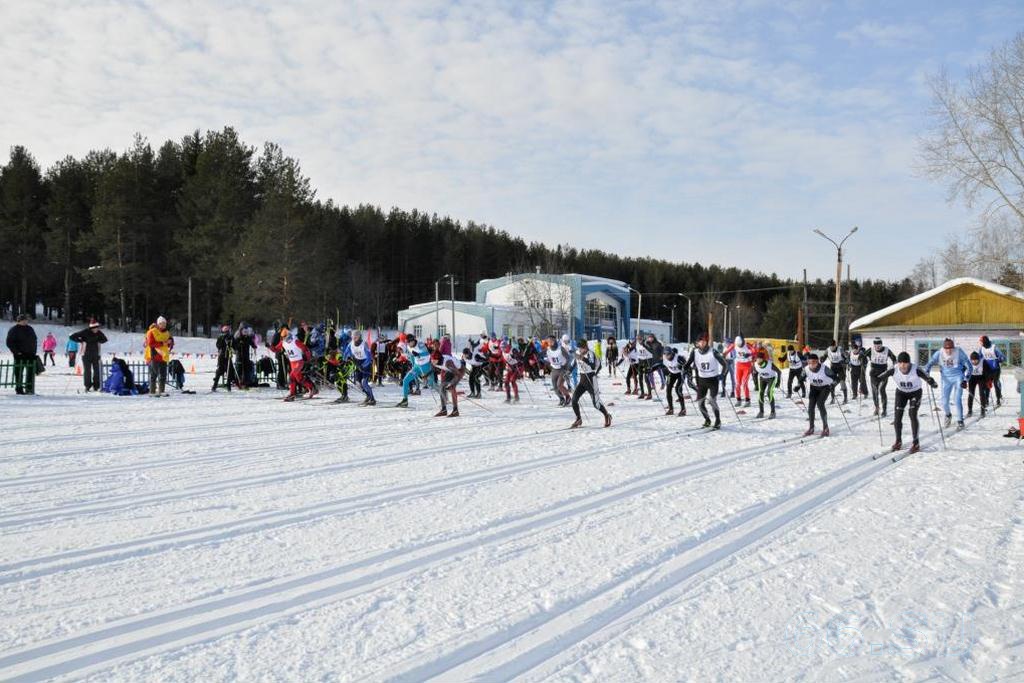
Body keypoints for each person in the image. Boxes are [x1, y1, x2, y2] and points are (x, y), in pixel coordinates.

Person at [878, 351, 938, 454]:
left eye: (905, 363)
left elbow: (927, 377)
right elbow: (881, 376)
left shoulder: (916, 369)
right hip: (901, 393)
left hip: (915, 393)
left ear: (909, 363)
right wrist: (876, 380)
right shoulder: (894, 369)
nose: (903, 365)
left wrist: (932, 382)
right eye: (900, 363)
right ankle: (898, 441)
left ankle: (916, 443)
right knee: (897, 417)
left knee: (912, 414)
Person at [924, 337, 971, 431]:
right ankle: (948, 415)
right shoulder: (939, 353)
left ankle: (960, 421)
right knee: (944, 401)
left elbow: (969, 367)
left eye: (951, 348)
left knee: (957, 399)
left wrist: (965, 380)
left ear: (953, 348)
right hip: (946, 379)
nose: (949, 351)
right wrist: (927, 376)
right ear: (944, 348)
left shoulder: (959, 352)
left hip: (958, 377)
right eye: (947, 349)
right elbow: (928, 365)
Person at [683, 334, 728, 429]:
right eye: (700, 341)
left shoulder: (713, 351)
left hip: (713, 380)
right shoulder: (694, 352)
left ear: (706, 342)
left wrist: (722, 375)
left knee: (712, 401)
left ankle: (718, 421)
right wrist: (683, 368)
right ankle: (707, 420)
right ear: (697, 343)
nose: (702, 343)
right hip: (702, 380)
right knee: (700, 403)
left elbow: (725, 364)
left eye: (704, 341)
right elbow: (688, 363)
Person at [569, 337, 612, 428]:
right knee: (574, 400)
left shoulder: (590, 354)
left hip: (591, 380)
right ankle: (578, 419)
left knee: (596, 404)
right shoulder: (578, 353)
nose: (580, 349)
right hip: (582, 380)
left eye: (581, 348)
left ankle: (607, 415)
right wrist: (568, 372)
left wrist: (583, 358)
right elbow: (573, 364)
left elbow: (592, 366)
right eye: (579, 348)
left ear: (585, 347)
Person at [270, 326, 317, 401]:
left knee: (292, 376)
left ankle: (292, 394)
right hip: (292, 362)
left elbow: (305, 349)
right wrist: (271, 347)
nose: (284, 339)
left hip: (299, 361)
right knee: (299, 379)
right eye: (283, 337)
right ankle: (312, 388)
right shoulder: (283, 342)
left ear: (288, 335)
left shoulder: (295, 341)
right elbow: (276, 349)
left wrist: (308, 358)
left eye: (285, 337)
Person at [799, 354, 835, 437]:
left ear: (818, 361)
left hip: (825, 387)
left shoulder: (824, 368)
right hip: (814, 388)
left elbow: (836, 378)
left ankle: (826, 428)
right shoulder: (806, 369)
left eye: (814, 362)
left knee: (820, 404)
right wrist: (798, 385)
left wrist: (833, 384)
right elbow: (801, 378)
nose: (812, 364)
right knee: (811, 407)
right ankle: (811, 428)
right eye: (810, 362)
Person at [396, 334, 435, 408]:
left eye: (409, 342)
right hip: (417, 367)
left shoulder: (420, 344)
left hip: (426, 366)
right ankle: (405, 400)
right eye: (407, 343)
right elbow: (411, 355)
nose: (408, 344)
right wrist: (413, 365)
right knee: (405, 380)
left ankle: (444, 397)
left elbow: (427, 353)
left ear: (413, 341)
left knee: (432, 385)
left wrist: (418, 354)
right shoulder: (408, 346)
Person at [69, 319, 107, 392]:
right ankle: (87, 385)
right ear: (92, 328)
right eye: (95, 328)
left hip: (96, 354)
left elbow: (105, 339)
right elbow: (72, 337)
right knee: (87, 371)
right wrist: (81, 341)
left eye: (97, 328)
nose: (97, 329)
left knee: (97, 370)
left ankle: (96, 385)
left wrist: (99, 340)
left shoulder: (99, 333)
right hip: (86, 354)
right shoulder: (85, 332)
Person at [5, 314, 37, 395]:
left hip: (30, 354)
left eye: (26, 320)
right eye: (24, 320)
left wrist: (34, 351)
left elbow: (34, 340)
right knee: (19, 372)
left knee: (30, 372)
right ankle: (19, 389)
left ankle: (29, 389)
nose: (26, 321)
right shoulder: (14, 330)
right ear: (19, 320)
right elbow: (9, 342)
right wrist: (17, 352)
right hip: (19, 355)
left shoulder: (30, 329)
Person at [344, 329, 376, 406]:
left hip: (366, 364)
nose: (354, 338)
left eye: (356, 336)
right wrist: (344, 360)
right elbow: (345, 353)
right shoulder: (350, 344)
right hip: (357, 363)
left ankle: (372, 399)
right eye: (353, 336)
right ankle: (368, 396)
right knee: (358, 383)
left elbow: (369, 357)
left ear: (359, 336)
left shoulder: (364, 344)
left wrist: (363, 366)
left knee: (364, 382)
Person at [144, 316, 174, 396]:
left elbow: (170, 341)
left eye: (164, 323)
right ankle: (152, 391)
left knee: (163, 374)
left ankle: (162, 391)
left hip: (163, 356)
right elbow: (150, 343)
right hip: (154, 355)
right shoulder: (151, 332)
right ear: (158, 324)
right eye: (161, 323)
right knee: (154, 374)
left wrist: (171, 342)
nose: (163, 325)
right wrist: (163, 343)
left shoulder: (167, 332)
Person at [868, 337, 897, 417]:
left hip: (883, 373)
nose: (877, 346)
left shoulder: (887, 350)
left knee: (881, 390)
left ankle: (884, 410)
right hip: (873, 374)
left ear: (881, 344)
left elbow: (894, 358)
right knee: (875, 391)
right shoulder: (871, 350)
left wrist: (894, 365)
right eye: (876, 344)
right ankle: (877, 408)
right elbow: (863, 355)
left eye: (879, 344)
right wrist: (861, 357)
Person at [435, 339, 465, 417]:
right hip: (449, 371)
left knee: (452, 388)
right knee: (441, 387)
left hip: (459, 370)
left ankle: (455, 410)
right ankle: (444, 409)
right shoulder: (435, 360)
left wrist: (452, 383)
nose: (433, 362)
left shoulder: (448, 363)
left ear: (439, 359)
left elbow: (458, 374)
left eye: (434, 360)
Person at [724, 335, 754, 406]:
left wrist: (749, 354)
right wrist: (724, 354)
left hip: (747, 366)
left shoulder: (747, 345)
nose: (739, 346)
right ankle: (738, 399)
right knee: (737, 383)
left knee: (744, 383)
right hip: (739, 365)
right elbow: (728, 350)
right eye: (738, 345)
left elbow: (754, 350)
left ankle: (747, 400)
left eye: (740, 345)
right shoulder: (734, 344)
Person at [544, 334, 572, 406]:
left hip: (562, 369)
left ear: (555, 341)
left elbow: (568, 358)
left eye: (551, 341)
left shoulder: (561, 349)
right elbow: (548, 358)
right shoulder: (548, 349)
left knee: (559, 385)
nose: (550, 343)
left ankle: (568, 397)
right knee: (555, 387)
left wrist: (566, 367)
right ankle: (561, 399)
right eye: (548, 341)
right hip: (554, 369)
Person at [752, 351, 782, 419]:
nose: (758, 360)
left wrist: (778, 382)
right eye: (757, 358)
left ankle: (773, 412)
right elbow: (754, 374)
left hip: (771, 378)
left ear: (763, 359)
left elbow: (779, 372)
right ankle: (761, 412)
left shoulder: (769, 364)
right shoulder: (755, 364)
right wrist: (756, 384)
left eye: (760, 358)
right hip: (762, 379)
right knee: (761, 393)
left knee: (769, 393)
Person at [978, 335, 1005, 407]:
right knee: (987, 385)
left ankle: (998, 398)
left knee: (996, 384)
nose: (980, 343)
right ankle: (986, 400)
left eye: (981, 341)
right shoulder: (981, 349)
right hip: (987, 370)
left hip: (995, 369)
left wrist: (998, 360)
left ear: (984, 341)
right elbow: (979, 357)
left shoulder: (994, 347)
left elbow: (1002, 356)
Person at [663, 346, 686, 416]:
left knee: (678, 389)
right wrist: (651, 369)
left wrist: (682, 367)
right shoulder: (664, 358)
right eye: (666, 355)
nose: (667, 356)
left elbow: (687, 366)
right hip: (672, 373)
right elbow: (660, 365)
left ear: (672, 353)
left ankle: (683, 409)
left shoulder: (678, 358)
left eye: (668, 354)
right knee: (668, 390)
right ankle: (671, 409)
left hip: (680, 374)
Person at [966, 352, 989, 418]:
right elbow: (962, 369)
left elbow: (988, 371)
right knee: (971, 394)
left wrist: (988, 380)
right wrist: (963, 379)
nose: (974, 362)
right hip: (972, 378)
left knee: (982, 394)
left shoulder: (983, 362)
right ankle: (970, 410)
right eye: (972, 360)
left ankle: (982, 411)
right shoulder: (968, 362)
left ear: (979, 359)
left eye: (976, 360)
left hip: (981, 378)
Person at [824, 340, 848, 405]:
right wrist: (822, 359)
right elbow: (824, 356)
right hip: (833, 367)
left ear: (835, 345)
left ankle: (845, 398)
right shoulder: (828, 350)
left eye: (833, 346)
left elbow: (847, 357)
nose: (831, 348)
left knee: (842, 382)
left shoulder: (840, 349)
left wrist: (845, 361)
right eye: (830, 346)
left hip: (841, 367)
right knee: (832, 384)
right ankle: (833, 399)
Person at [212, 325, 235, 391]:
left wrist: (232, 347)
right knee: (219, 371)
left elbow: (234, 345)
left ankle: (228, 386)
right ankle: (214, 386)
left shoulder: (231, 337)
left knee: (229, 371)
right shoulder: (220, 337)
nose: (226, 333)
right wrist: (223, 341)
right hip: (222, 356)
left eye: (227, 332)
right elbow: (218, 345)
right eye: (225, 332)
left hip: (228, 356)